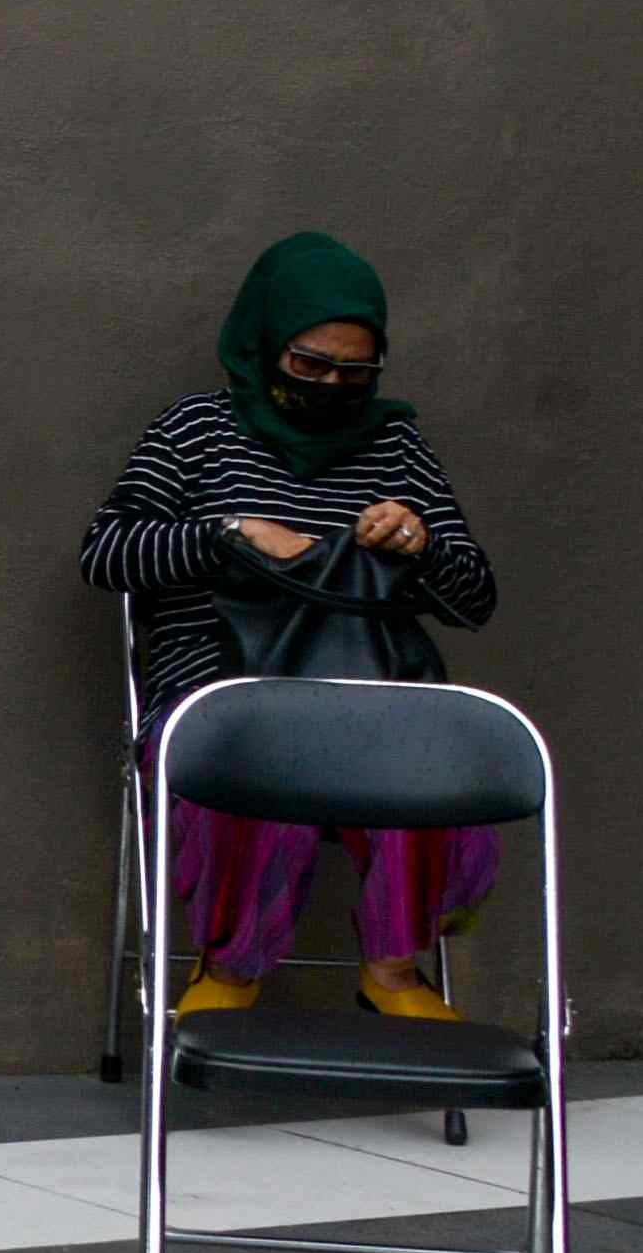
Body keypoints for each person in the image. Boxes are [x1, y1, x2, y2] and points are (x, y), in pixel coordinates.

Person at [80, 229, 505, 1021]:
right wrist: (230, 534)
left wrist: (420, 543)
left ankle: (392, 972)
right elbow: (106, 552)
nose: (332, 384)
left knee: (425, 753)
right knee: (257, 738)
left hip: (363, 688)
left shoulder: (395, 443)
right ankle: (230, 969)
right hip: (217, 684)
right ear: (264, 343)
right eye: (309, 365)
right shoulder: (195, 432)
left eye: (355, 371)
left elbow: (475, 599)